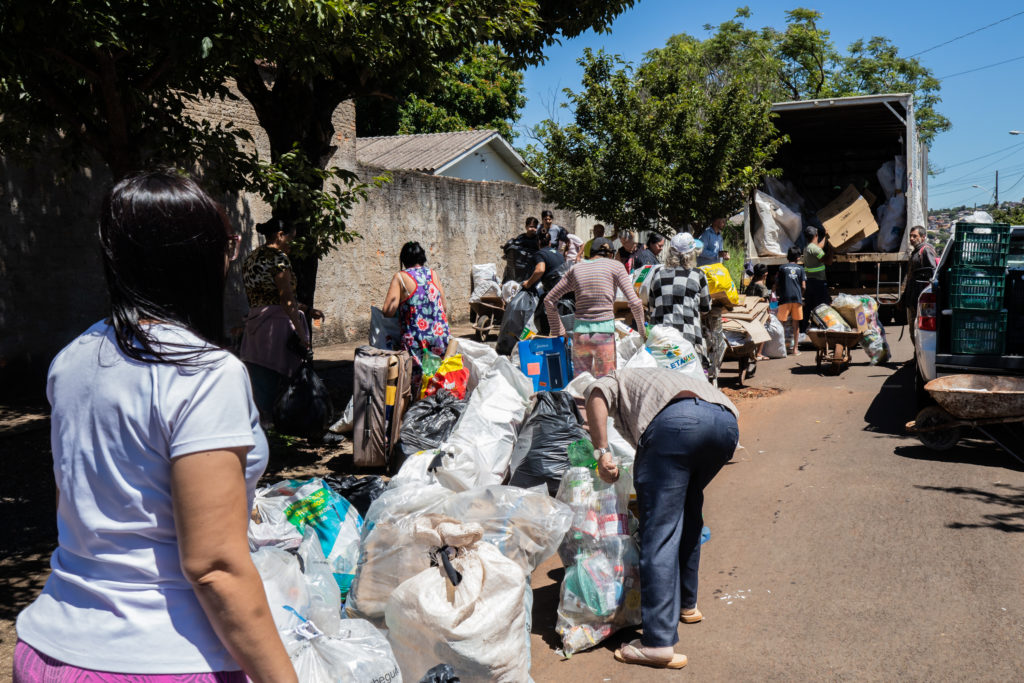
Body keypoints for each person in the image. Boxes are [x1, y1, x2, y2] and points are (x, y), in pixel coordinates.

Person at [14, 170, 296, 682]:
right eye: (228, 242)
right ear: (197, 256)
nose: (231, 255)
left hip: (50, 646)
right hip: (161, 658)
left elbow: (73, 505)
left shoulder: (72, 358)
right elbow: (214, 566)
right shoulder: (206, 374)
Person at [584, 368, 739, 670]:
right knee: (689, 512)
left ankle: (656, 643)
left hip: (676, 427)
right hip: (726, 425)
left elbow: (596, 394)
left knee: (660, 532)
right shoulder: (661, 378)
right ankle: (687, 604)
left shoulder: (616, 378)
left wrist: (601, 451)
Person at [240, 216, 310, 423]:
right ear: (280, 235)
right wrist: (300, 332)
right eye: (291, 238)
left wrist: (307, 309)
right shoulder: (279, 258)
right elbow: (286, 298)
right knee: (283, 376)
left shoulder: (251, 258)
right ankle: (287, 423)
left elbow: (264, 294)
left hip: (255, 323)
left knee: (260, 376)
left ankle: (265, 426)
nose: (292, 243)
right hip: (277, 325)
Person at [544, 238, 646, 378]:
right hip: (604, 334)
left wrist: (559, 331)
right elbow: (635, 303)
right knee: (605, 383)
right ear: (610, 253)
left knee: (581, 382)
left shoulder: (576, 269)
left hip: (580, 335)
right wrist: (642, 332)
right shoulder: (616, 266)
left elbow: (549, 300)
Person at [648, 233, 712, 370]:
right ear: (692, 253)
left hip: (661, 339)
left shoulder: (657, 273)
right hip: (687, 339)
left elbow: (652, 305)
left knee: (665, 373)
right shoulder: (698, 274)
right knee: (689, 374)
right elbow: (706, 308)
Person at [382, 241, 452, 363]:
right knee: (438, 378)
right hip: (440, 338)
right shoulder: (432, 274)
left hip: (416, 342)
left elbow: (388, 311)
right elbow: (443, 307)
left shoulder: (400, 277)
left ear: (403, 260)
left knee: (417, 380)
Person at [522, 228, 567, 335]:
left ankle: (543, 335)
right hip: (566, 289)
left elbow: (540, 270)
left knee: (541, 313)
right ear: (550, 242)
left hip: (555, 289)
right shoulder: (558, 253)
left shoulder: (540, 253)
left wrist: (528, 283)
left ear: (538, 242)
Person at [900, 225, 938, 340]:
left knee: (920, 329)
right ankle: (916, 356)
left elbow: (933, 272)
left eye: (915, 236)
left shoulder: (925, 250)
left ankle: (918, 356)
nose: (911, 238)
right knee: (913, 328)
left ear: (923, 237)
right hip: (913, 296)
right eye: (910, 236)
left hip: (921, 296)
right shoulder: (915, 252)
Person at [775, 246, 806, 356]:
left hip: (784, 299)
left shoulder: (782, 268)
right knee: (796, 325)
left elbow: (777, 284)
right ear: (798, 257)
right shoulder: (801, 269)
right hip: (796, 299)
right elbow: (803, 286)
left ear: (788, 257)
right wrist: (800, 296)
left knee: (781, 324)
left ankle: (782, 348)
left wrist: (777, 295)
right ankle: (795, 349)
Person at [801, 225, 833, 332]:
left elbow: (819, 247)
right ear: (816, 235)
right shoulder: (814, 249)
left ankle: (803, 329)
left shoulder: (808, 248)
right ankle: (825, 328)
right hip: (818, 283)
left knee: (809, 306)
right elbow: (828, 261)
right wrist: (832, 249)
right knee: (823, 306)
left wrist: (826, 237)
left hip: (811, 282)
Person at [745, 264, 772, 360]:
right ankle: (759, 353)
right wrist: (768, 314)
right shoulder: (762, 287)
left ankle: (751, 351)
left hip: (749, 311)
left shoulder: (751, 284)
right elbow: (766, 302)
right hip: (759, 312)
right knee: (763, 332)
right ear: (765, 274)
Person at [503, 216, 541, 282]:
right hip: (519, 270)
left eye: (535, 227)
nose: (533, 229)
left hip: (531, 270)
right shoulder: (520, 238)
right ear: (526, 227)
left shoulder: (538, 239)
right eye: (531, 227)